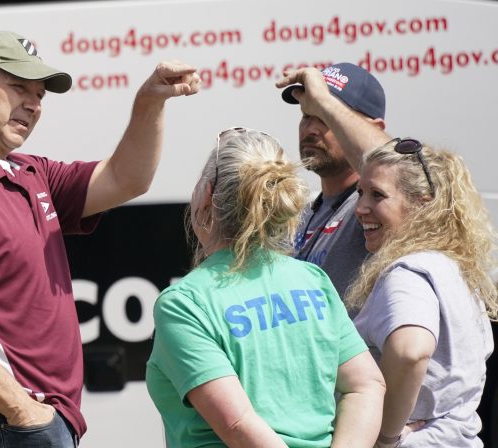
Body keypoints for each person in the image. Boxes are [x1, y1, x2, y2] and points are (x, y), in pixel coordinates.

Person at [0, 30, 200, 447]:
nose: (34, 104)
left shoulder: (29, 172)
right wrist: (23, 410)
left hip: (29, 426)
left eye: (40, 94)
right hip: (2, 428)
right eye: (18, 86)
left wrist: (149, 102)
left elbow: (127, 178)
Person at [145, 127, 386, 448]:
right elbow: (366, 384)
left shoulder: (185, 303)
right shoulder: (312, 280)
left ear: (206, 196)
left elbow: (238, 426)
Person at [346, 139, 498, 447]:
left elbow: (410, 352)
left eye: (378, 195)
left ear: (422, 204)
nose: (360, 208)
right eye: (360, 192)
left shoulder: (409, 273)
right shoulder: (454, 268)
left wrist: (385, 438)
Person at [280, 62, 387, 301]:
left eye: (327, 117)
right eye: (307, 115)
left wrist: (323, 101)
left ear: (375, 129)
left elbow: (395, 164)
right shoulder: (301, 214)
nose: (311, 129)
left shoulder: (381, 208)